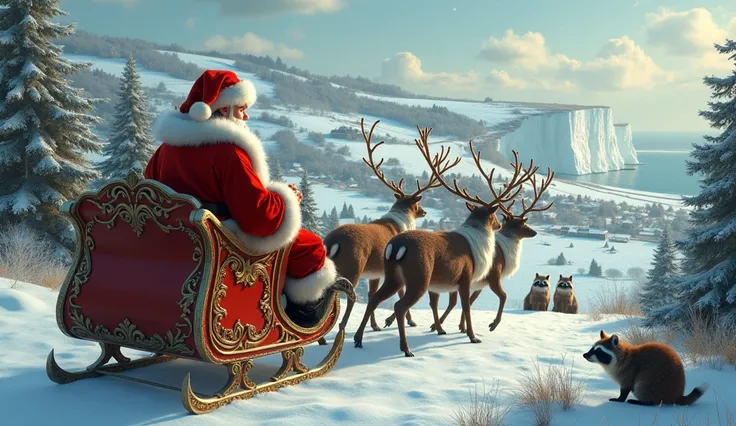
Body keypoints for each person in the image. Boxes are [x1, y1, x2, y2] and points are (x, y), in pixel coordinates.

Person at [145, 69, 344, 325]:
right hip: (222, 243)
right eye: (241, 109)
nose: (246, 115)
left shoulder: (165, 150)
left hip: (178, 241)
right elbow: (259, 219)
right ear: (224, 110)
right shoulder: (227, 152)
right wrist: (287, 198)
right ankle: (286, 318)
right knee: (310, 247)